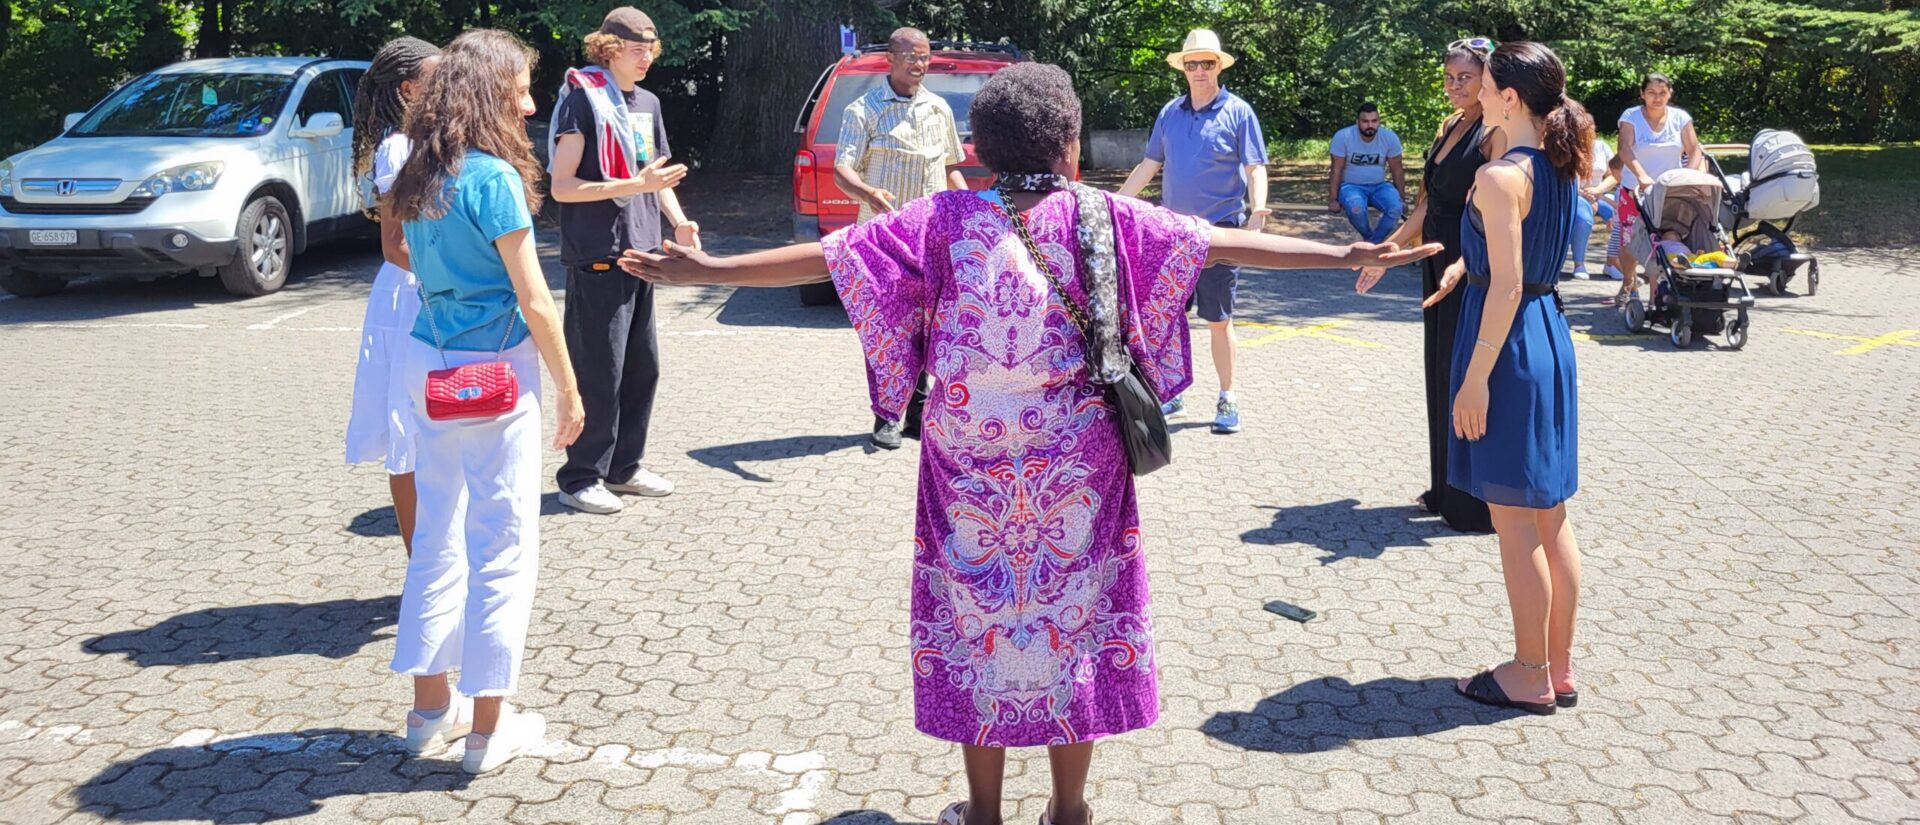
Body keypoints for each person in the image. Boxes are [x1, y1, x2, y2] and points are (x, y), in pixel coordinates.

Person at [620, 63, 1437, 825]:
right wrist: (1343, 253)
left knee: (973, 627)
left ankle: (981, 812)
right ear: (1072, 144)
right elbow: (1216, 239)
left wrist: (709, 270)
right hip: (1078, 476)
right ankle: (1069, 810)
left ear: (975, 151)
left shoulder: (942, 219)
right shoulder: (1105, 215)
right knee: (1074, 627)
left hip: (965, 475)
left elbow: (830, 260)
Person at [385, 28, 586, 774]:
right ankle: (486, 730)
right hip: (495, 371)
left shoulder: (417, 169)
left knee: (436, 533)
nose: (531, 103)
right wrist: (570, 387)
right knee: (501, 541)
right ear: (488, 94)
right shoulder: (492, 179)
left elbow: (401, 255)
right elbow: (535, 299)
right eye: (520, 89)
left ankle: (426, 710)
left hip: (426, 360)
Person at [1424, 40, 1591, 717]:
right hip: (1548, 332)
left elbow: (1511, 281)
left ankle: (1527, 673)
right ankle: (1558, 666)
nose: (1478, 92)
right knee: (1550, 515)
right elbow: (1524, 260)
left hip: (1511, 343)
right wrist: (1471, 265)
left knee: (1516, 520)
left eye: (1488, 84)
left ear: (1512, 99)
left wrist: (1474, 379)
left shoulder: (1501, 175)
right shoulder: (1558, 162)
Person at [1354, 37, 1505, 534]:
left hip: (1470, 264)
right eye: (1449, 77)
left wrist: (1471, 260)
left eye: (1465, 77)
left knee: (1465, 374)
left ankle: (1475, 503)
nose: (1454, 85)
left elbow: (1494, 210)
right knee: (1439, 371)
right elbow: (1422, 207)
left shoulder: (1494, 132)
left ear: (1487, 77)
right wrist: (1387, 252)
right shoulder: (1449, 127)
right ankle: (1444, 488)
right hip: (1435, 256)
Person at [548, 7, 692, 514]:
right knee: (599, 373)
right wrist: (635, 187)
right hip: (598, 256)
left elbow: (658, 176)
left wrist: (678, 223)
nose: (648, 56)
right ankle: (579, 476)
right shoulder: (582, 99)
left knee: (641, 370)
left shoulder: (648, 102)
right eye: (638, 48)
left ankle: (624, 469)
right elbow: (562, 187)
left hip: (643, 253)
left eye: (652, 47)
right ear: (609, 48)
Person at [1117, 28, 1270, 435]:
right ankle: (1171, 392)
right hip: (1173, 234)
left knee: (1219, 320)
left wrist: (1259, 210)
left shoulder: (1238, 112)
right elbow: (1149, 166)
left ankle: (1228, 396)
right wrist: (1114, 205)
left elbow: (1255, 167)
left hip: (1220, 232)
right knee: (1166, 317)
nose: (1199, 70)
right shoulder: (1170, 112)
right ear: (1183, 68)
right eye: (1192, 63)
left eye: (1207, 62)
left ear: (1218, 66)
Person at [833, 27, 967, 451]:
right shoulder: (864, 110)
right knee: (888, 329)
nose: (919, 64)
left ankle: (918, 414)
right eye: (911, 56)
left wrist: (973, 209)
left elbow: (950, 168)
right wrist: (869, 193)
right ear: (890, 58)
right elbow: (843, 169)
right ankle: (886, 416)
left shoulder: (938, 108)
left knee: (930, 328)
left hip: (931, 237)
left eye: (925, 57)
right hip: (882, 239)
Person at [345, 36, 441, 557]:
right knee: (409, 436)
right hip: (409, 301)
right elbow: (395, 245)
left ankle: (440, 563)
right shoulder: (398, 148)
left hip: (433, 295)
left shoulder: (437, 141)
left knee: (439, 432)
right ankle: (420, 566)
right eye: (437, 75)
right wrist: (455, 278)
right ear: (409, 88)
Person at [1607, 73, 1704, 305]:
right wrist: (1641, 175)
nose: (1657, 98)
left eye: (1662, 93)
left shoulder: (1681, 118)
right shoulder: (1631, 117)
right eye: (1651, 93)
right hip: (1635, 189)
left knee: (1666, 237)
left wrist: (1688, 175)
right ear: (1642, 94)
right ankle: (1628, 282)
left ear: (1670, 93)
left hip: (1668, 191)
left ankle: (1659, 288)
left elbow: (1694, 149)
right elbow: (1625, 148)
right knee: (1630, 240)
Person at [1327, 102, 1407, 244]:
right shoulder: (1343, 136)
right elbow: (1335, 169)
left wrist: (1402, 198)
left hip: (1380, 186)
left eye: (1374, 121)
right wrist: (1333, 199)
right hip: (1351, 186)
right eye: (1365, 121)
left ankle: (1372, 245)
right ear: (1357, 122)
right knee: (1356, 208)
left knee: (1396, 207)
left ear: (1379, 121)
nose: (1370, 125)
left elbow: (1397, 170)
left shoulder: (1389, 137)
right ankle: (1370, 239)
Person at [1566, 135, 1615, 279]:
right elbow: (1566, 179)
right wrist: (1587, 195)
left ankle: (1612, 263)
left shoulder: (1602, 147)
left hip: (1599, 193)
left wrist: (1598, 190)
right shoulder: (1567, 147)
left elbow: (1615, 175)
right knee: (1584, 218)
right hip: (1575, 194)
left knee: (1623, 215)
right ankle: (1579, 264)